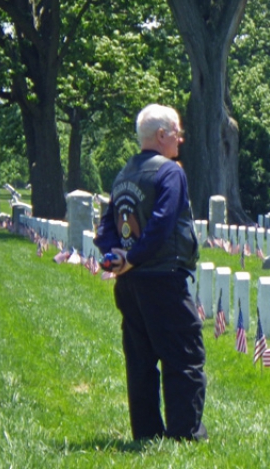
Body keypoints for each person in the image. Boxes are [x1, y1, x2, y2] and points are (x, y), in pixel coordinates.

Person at [94, 104, 207, 441]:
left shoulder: (124, 173)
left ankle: (146, 433)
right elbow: (162, 224)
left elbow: (105, 227)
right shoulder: (170, 172)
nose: (180, 138)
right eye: (176, 132)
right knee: (184, 355)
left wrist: (118, 257)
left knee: (140, 360)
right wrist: (134, 258)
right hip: (163, 277)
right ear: (161, 136)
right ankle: (184, 434)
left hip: (129, 285)